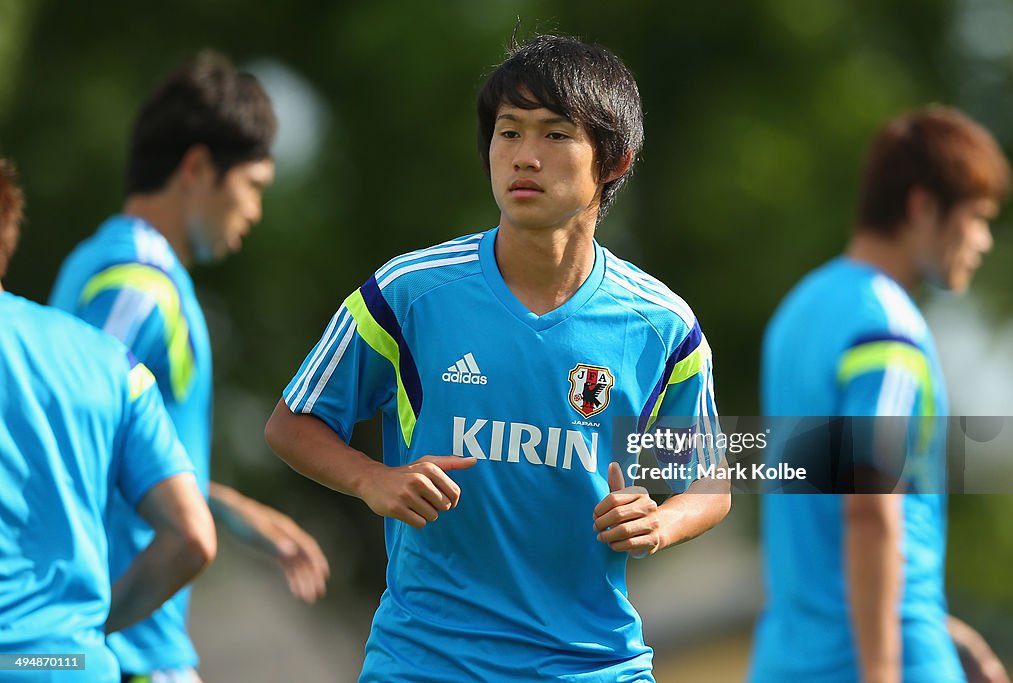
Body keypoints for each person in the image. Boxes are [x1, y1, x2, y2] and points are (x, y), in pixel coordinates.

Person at [265, 34, 731, 682]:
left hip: (595, 665)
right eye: (508, 133)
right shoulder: (411, 292)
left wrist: (659, 520)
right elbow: (292, 423)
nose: (524, 158)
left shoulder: (661, 326)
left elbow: (708, 483)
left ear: (614, 160)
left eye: (554, 135)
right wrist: (373, 478)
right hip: (426, 662)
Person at [49, 51, 329, 682]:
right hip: (130, 658)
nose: (256, 211)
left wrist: (221, 502)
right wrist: (69, 637)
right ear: (198, 167)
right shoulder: (140, 290)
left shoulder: (96, 262)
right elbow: (69, 451)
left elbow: (120, 460)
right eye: (254, 185)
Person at [750, 106, 1013, 683]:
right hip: (882, 661)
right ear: (923, 208)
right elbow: (870, 507)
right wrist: (885, 668)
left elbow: (818, 504)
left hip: (784, 662)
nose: (984, 240)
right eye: (977, 217)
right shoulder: (887, 329)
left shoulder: (799, 311)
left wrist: (947, 627)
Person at [0, 159, 216, 683]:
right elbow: (193, 537)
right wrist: (83, 632)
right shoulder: (112, 363)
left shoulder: (124, 277)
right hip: (75, 664)